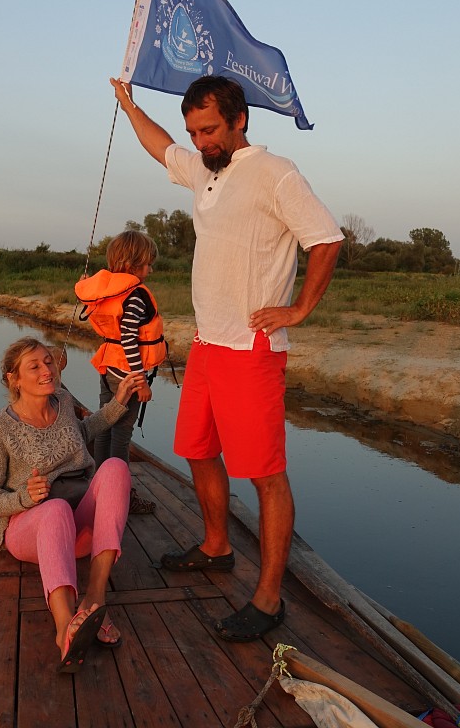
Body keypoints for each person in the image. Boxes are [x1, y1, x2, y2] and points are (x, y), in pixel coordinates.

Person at [109, 74, 343, 642]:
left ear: (239, 120)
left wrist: (299, 309)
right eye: (195, 131)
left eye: (210, 129)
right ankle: (216, 546)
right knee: (196, 449)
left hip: (251, 349)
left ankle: (268, 599)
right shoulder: (203, 170)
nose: (201, 141)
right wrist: (129, 106)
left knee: (265, 475)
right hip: (208, 345)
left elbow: (326, 238)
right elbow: (161, 146)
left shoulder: (275, 172)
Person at [0, 336, 146, 672]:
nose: (47, 370)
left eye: (48, 361)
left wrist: (120, 400)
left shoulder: (64, 400)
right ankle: (65, 627)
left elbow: (83, 431)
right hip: (31, 528)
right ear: (14, 379)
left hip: (77, 527)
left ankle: (95, 598)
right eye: (34, 366)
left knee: (115, 467)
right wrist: (25, 497)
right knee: (54, 509)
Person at [74, 229, 165, 514]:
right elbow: (128, 337)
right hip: (127, 373)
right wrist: (140, 381)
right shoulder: (134, 295)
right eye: (147, 264)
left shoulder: (108, 291)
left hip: (109, 366)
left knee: (104, 423)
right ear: (131, 264)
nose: (150, 270)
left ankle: (99, 483)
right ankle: (119, 493)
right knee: (122, 433)